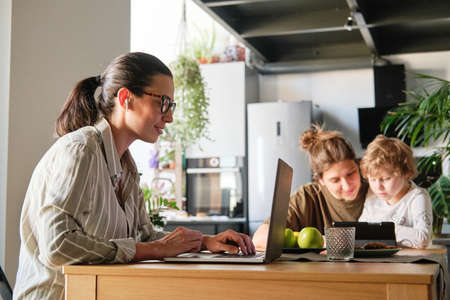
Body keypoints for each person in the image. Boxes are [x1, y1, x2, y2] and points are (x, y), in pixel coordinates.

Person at [13, 52, 255, 300]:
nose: (169, 117)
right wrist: (153, 249)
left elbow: (144, 237)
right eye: (162, 102)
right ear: (126, 98)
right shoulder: (81, 150)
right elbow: (57, 246)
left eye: (171, 106)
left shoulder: (125, 166)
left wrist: (204, 242)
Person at [253, 125, 368, 249]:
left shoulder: (377, 189)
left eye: (351, 173)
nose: (346, 186)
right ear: (320, 180)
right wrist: (322, 241)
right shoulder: (308, 196)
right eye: (335, 180)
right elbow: (259, 238)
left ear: (358, 165)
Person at [358, 135, 432, 248]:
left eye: (386, 179)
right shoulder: (373, 195)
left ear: (406, 173)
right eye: (372, 179)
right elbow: (360, 233)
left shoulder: (417, 197)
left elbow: (422, 239)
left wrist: (379, 230)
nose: (378, 186)